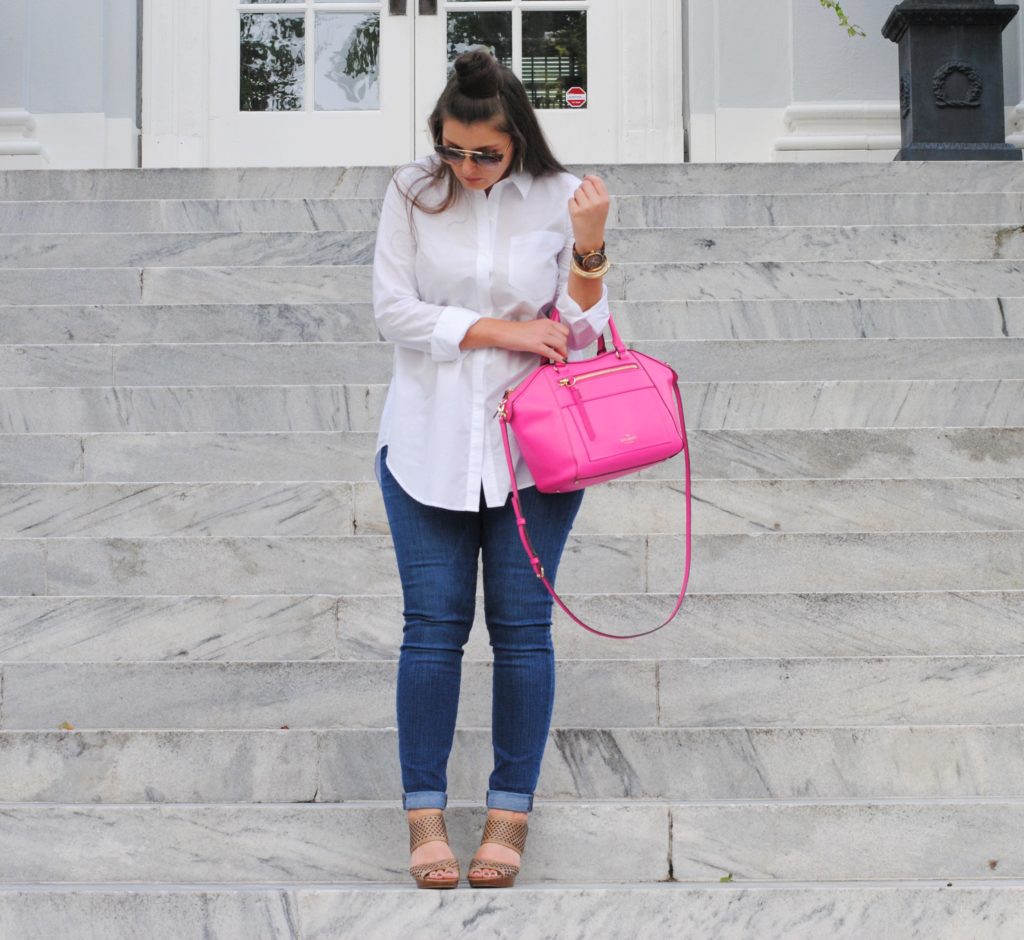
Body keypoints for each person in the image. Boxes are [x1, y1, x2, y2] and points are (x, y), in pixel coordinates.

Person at [372, 48, 611, 889]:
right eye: (453, 150)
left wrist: (588, 250)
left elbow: (582, 338)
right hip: (426, 441)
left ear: (518, 139)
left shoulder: (562, 197)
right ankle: (425, 814)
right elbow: (394, 311)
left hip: (533, 454)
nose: (467, 168)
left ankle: (510, 812)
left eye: (486, 153)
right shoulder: (410, 191)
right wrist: (504, 330)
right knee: (431, 630)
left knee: (522, 632)